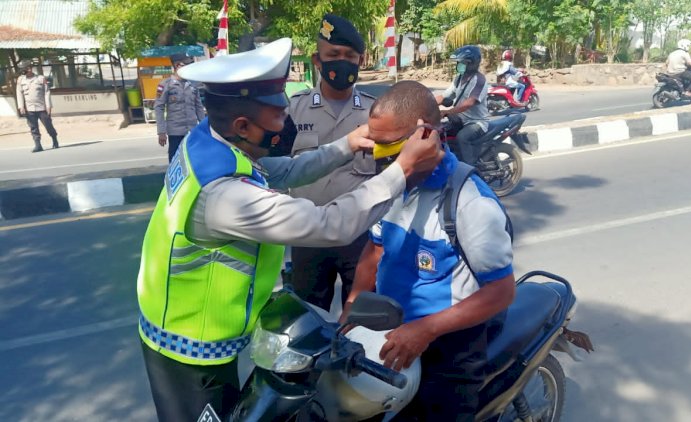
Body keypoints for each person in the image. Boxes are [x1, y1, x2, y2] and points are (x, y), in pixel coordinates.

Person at [136, 38, 443, 422]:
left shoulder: (210, 143)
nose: (286, 123)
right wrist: (402, 171)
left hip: (187, 323)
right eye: (278, 117)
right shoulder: (226, 197)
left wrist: (346, 145)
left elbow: (279, 172)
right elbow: (328, 225)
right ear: (243, 125)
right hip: (192, 347)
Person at [341, 81, 516, 422]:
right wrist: (351, 307)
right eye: (375, 146)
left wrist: (426, 330)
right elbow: (374, 252)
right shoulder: (392, 185)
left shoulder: (469, 201)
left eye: (388, 147)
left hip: (449, 351)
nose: (381, 158)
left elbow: (501, 291)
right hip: (391, 337)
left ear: (427, 134)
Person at [276, 14, 377, 312]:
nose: (342, 62)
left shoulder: (376, 112)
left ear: (361, 60)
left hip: (361, 236)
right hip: (309, 233)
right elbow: (276, 170)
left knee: (361, 317)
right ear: (317, 60)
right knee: (306, 315)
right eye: (333, 55)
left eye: (350, 56)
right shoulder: (293, 111)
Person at [434, 45, 491, 167]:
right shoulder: (459, 79)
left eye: (462, 62)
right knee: (440, 132)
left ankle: (470, 170)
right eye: (459, 62)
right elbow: (444, 96)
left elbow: (469, 103)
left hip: (476, 122)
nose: (459, 65)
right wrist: (427, 103)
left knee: (462, 138)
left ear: (471, 63)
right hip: (460, 120)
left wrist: (448, 112)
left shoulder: (479, 80)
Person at [154, 53, 205, 162]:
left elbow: (199, 107)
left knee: (193, 159)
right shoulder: (165, 84)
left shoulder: (192, 84)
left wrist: (204, 126)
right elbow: (159, 107)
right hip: (175, 132)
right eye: (185, 65)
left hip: (192, 130)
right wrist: (161, 132)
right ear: (177, 66)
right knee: (175, 160)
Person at [15, 59, 58, 153]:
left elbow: (47, 93)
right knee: (33, 127)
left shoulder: (40, 78)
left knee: (48, 125)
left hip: (41, 107)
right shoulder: (20, 80)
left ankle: (54, 139)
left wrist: (48, 106)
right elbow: (19, 93)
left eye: (24, 69)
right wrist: (21, 106)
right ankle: (38, 145)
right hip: (29, 108)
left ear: (29, 68)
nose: (23, 71)